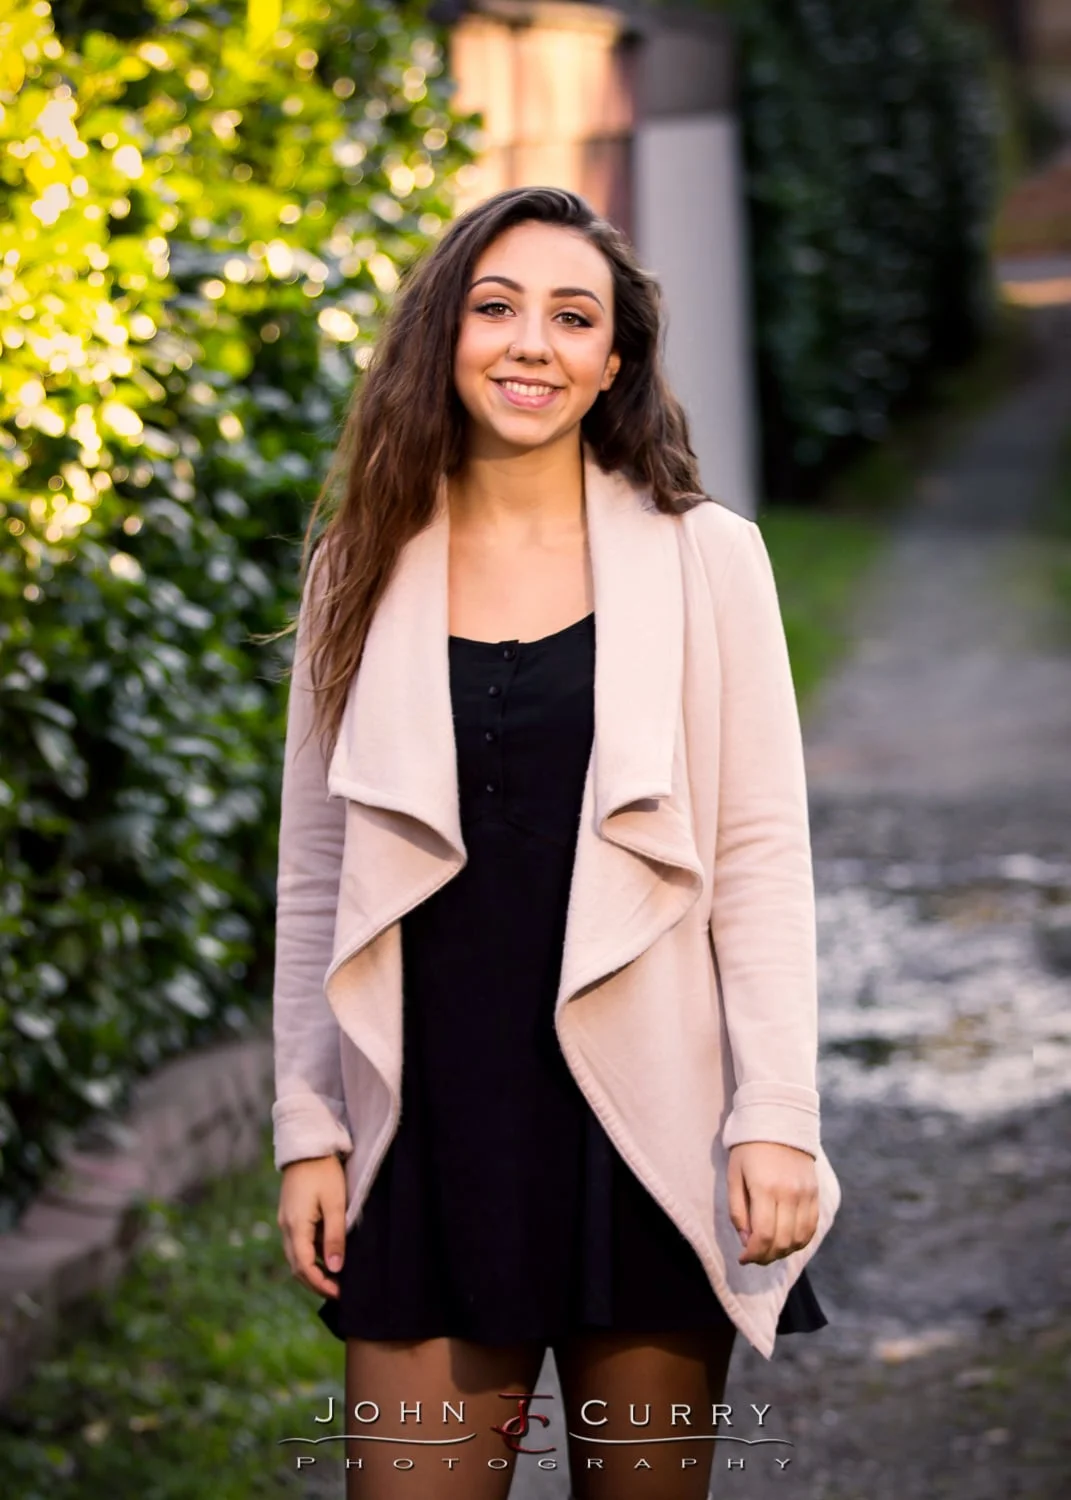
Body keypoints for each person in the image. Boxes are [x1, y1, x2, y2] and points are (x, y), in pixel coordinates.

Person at [271, 185, 842, 1500]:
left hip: (642, 1132)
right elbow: (316, 877)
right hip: (426, 1129)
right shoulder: (356, 565)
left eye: (572, 317)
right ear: (445, 336)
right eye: (497, 307)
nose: (532, 342)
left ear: (614, 362)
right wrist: (309, 1125)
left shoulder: (709, 560)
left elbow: (760, 859)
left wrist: (774, 1116)